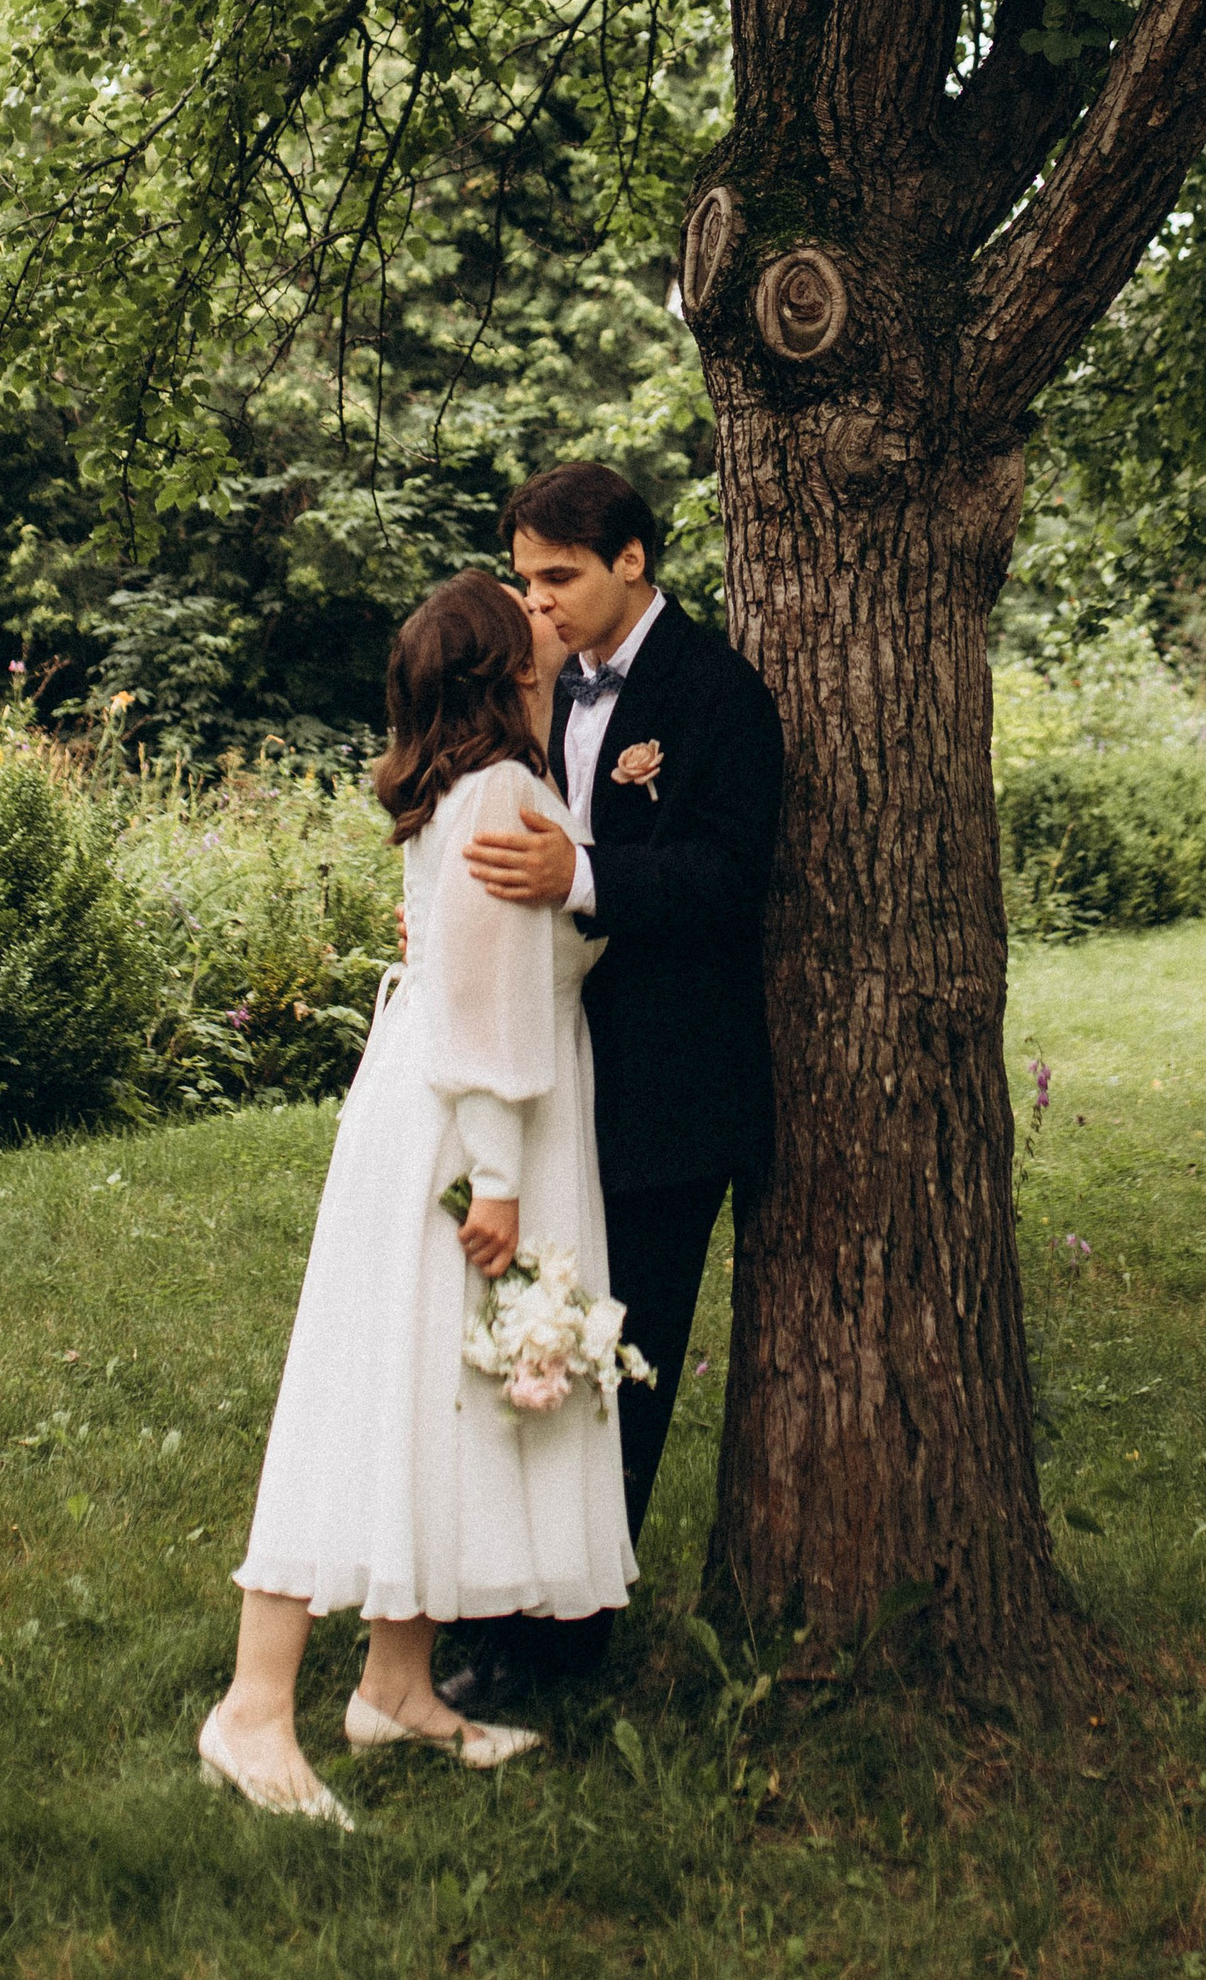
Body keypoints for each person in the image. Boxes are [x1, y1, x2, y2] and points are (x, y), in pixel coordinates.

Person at [196, 571, 635, 1819]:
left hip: (458, 1107)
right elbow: (483, 1000)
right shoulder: (500, 790)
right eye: (530, 608)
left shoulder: (466, 784)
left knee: (436, 1397)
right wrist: (495, 1176)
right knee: (371, 1395)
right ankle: (251, 1708)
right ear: (505, 668)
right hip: (467, 1127)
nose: (550, 615)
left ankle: (397, 1686)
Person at [439, 458, 782, 1717]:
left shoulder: (717, 693)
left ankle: (568, 1636)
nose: (537, 603)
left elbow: (726, 880)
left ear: (633, 558)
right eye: (524, 578)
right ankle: (496, 1601)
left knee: (616, 1361)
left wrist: (578, 877)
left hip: (668, 1087)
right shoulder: (532, 687)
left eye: (559, 576)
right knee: (524, 1342)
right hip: (551, 1072)